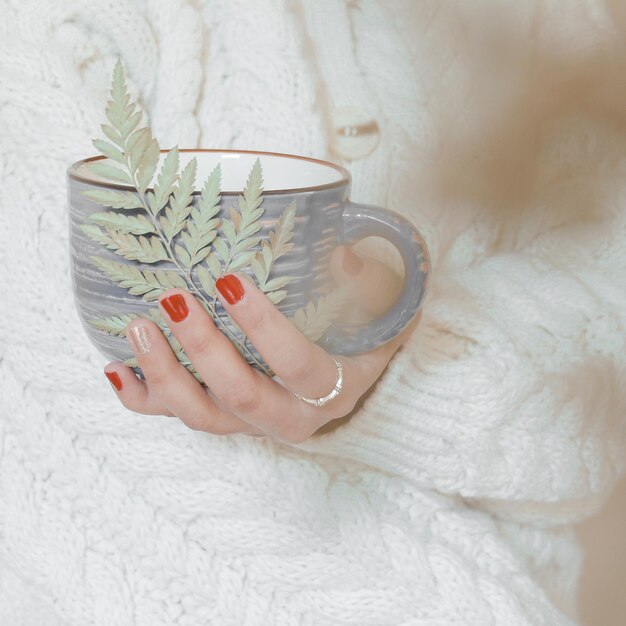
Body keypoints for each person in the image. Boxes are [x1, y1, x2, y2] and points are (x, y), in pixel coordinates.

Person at [0, 1, 624, 624]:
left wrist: (391, 373)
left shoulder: (555, 23)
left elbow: (599, 401)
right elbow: (70, 450)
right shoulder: (54, 28)